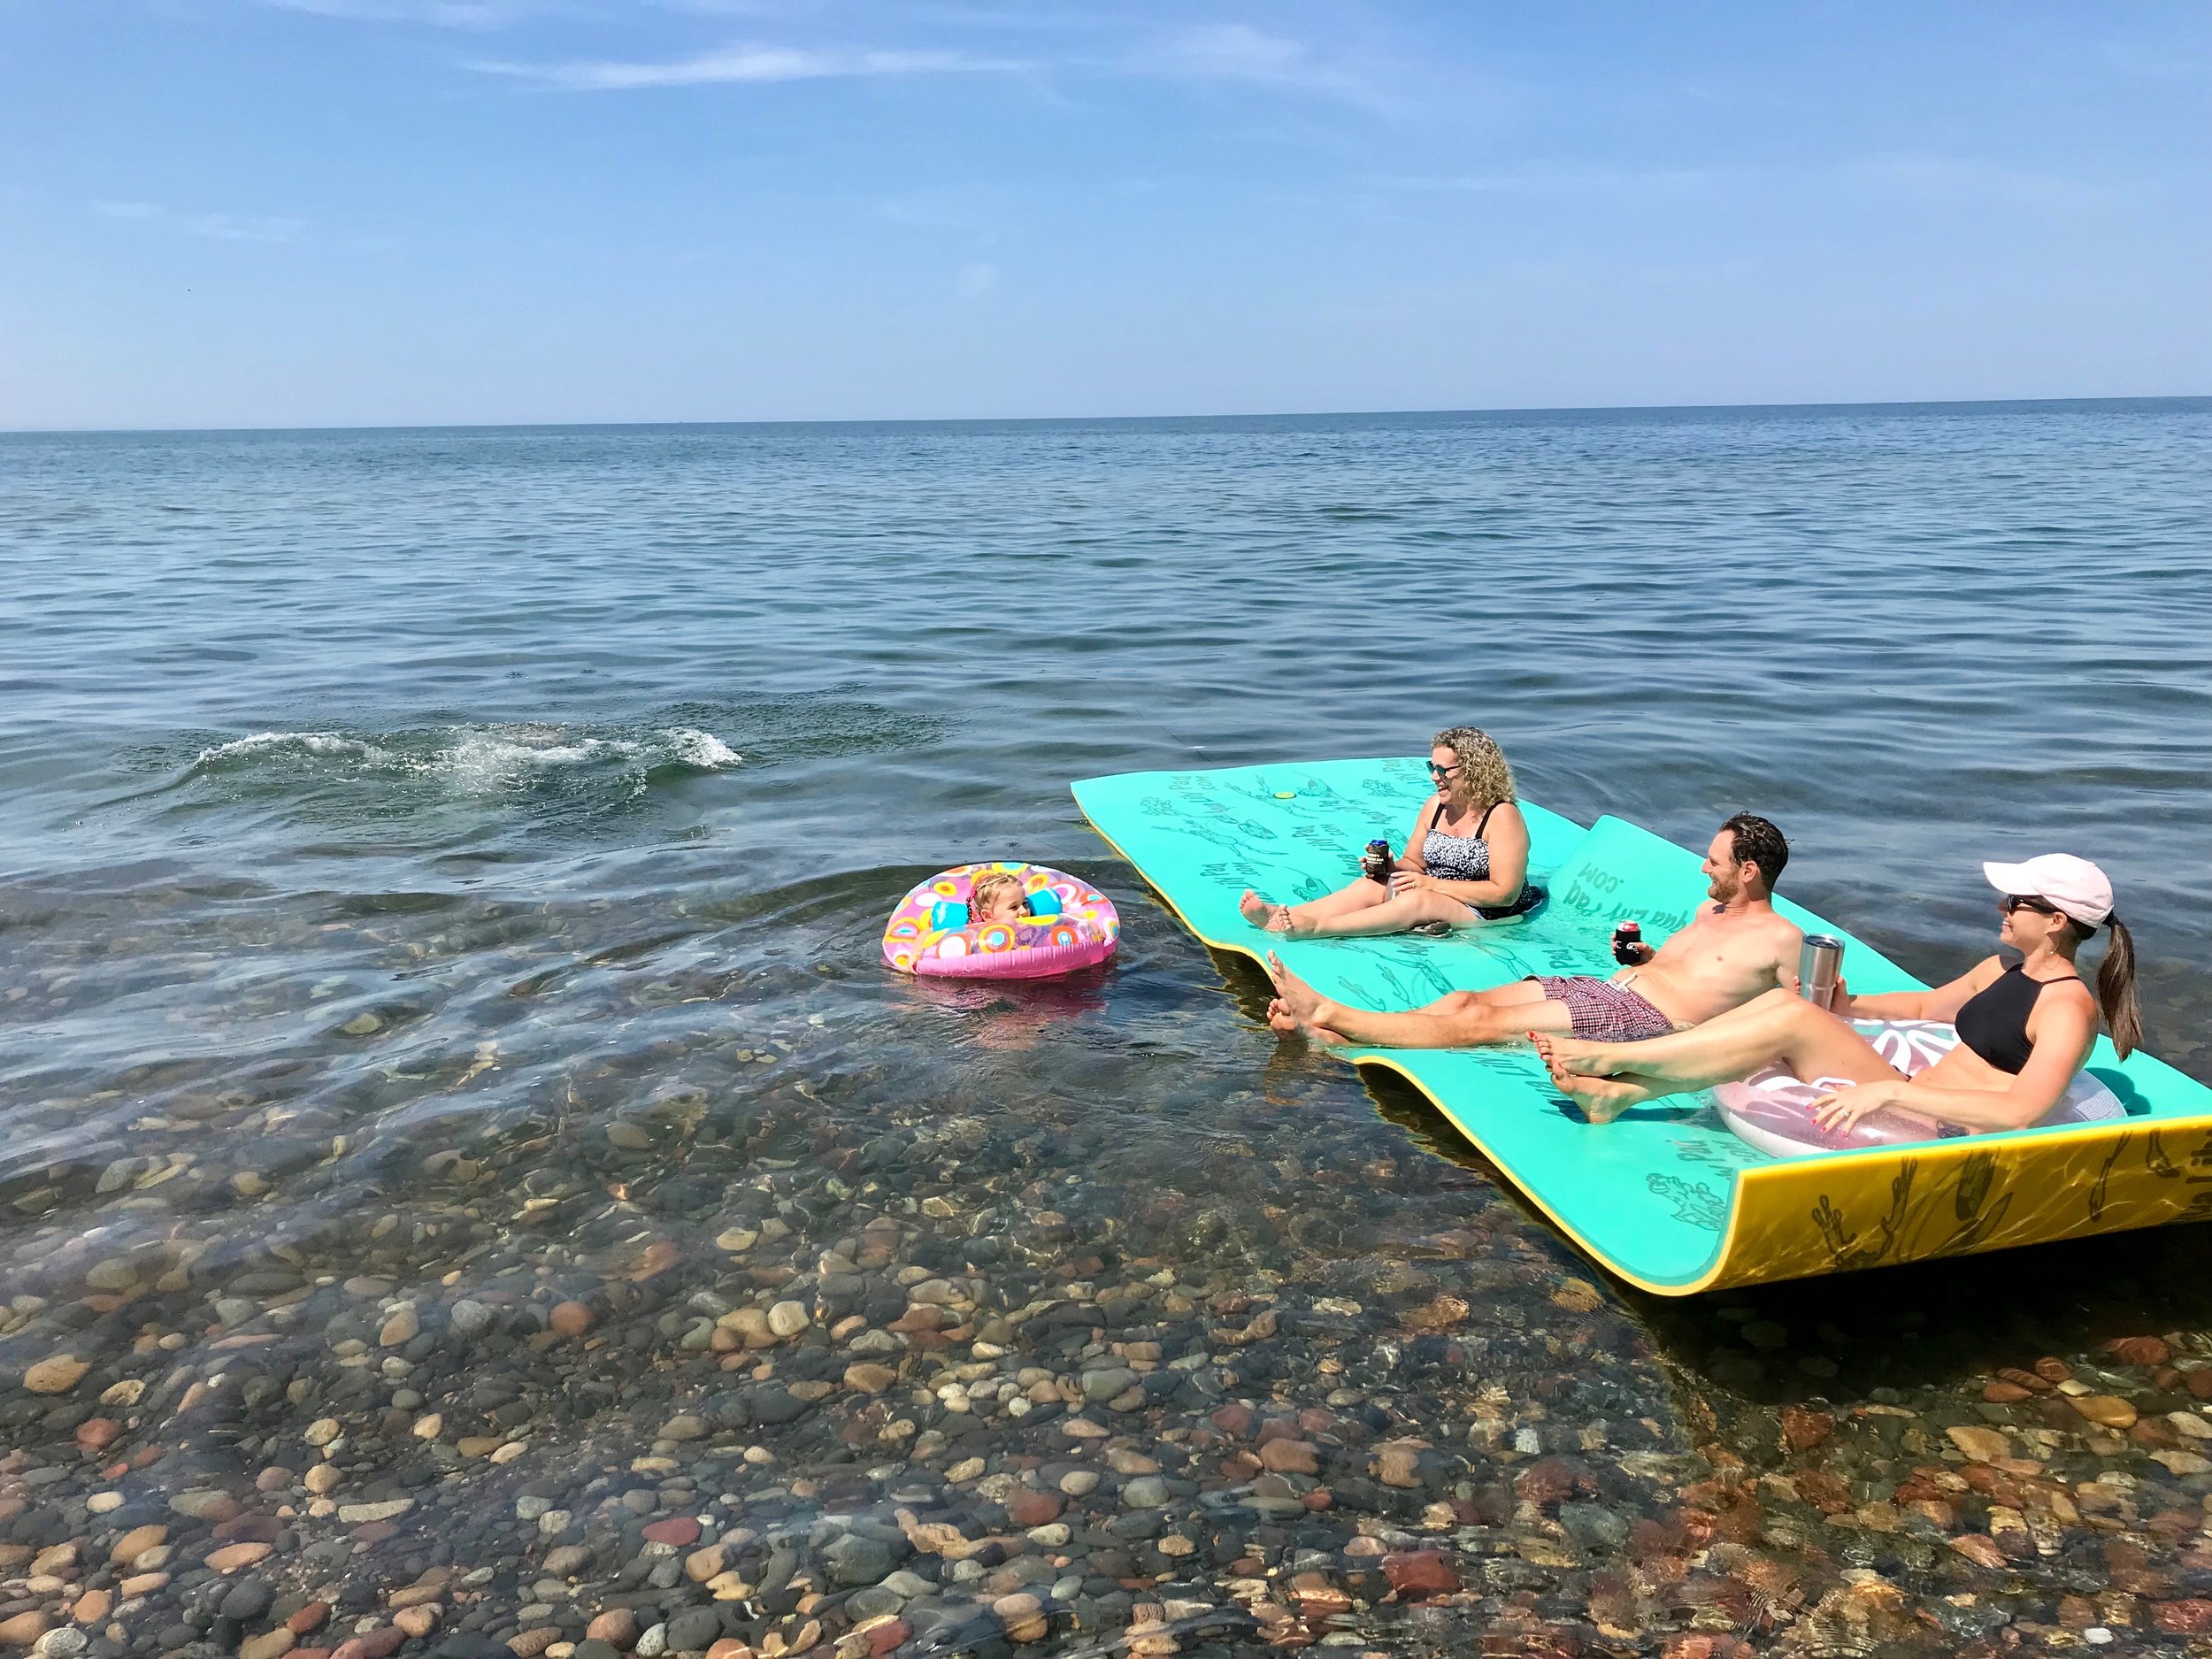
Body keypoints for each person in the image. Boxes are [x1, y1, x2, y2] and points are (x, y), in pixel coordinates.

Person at [1534, 853, 2140, 1130]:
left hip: (1942, 1128)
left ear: (2058, 920)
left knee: (1790, 1019)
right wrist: (1848, 1008)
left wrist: (1880, 1093)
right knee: (1784, 1007)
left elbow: (2019, 1110)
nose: (2002, 908)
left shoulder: (2067, 1006)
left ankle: (1612, 1058)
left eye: (2017, 902)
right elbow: (1927, 1007)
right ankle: (1618, 1097)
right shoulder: (2001, 970)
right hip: (1907, 1089)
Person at [1265, 812, 1801, 1048]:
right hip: (1609, 989)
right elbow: (1694, 968)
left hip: (1643, 1018)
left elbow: (1801, 1016)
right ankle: (1346, 1038)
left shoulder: (1783, 939)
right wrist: (1644, 957)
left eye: (1714, 861)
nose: (1704, 869)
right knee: (1462, 998)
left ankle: (1332, 1015)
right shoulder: (1711, 913)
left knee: (1481, 1022)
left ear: (1748, 871)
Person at [1239, 727, 1542, 938]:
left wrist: (1430, 885)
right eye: (1431, 766)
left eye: (1444, 770)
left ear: (1475, 771)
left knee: (1417, 902)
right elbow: (1415, 863)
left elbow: (1505, 893)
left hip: (1489, 912)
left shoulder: (1502, 816)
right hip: (1436, 888)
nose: (1434, 777)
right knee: (1373, 885)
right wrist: (1393, 868)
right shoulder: (1435, 806)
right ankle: (1284, 915)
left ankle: (1318, 928)